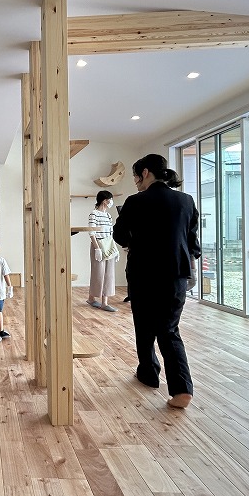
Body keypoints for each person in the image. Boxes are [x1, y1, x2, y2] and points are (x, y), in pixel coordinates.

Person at [113, 153, 200, 409]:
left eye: (135, 176)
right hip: (176, 274)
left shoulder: (135, 201)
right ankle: (181, 388)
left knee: (144, 324)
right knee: (169, 329)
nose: (135, 182)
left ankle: (149, 373)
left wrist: (134, 241)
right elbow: (192, 242)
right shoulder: (186, 201)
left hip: (143, 273)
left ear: (145, 173)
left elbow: (119, 235)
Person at [86, 190, 119, 312]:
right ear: (105, 200)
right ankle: (91, 298)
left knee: (109, 274)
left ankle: (104, 302)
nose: (111, 202)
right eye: (110, 199)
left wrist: (115, 250)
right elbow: (92, 233)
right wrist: (97, 248)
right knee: (98, 273)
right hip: (98, 245)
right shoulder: (94, 214)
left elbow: (110, 234)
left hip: (108, 245)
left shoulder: (108, 216)